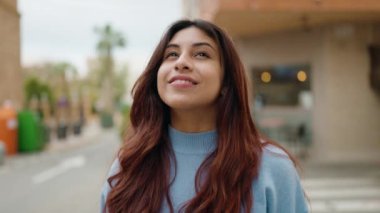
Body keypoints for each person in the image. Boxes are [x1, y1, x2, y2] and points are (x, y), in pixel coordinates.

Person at [100, 19, 309, 213]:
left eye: (201, 54)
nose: (181, 63)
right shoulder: (128, 166)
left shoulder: (272, 168)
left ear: (226, 82)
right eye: (171, 54)